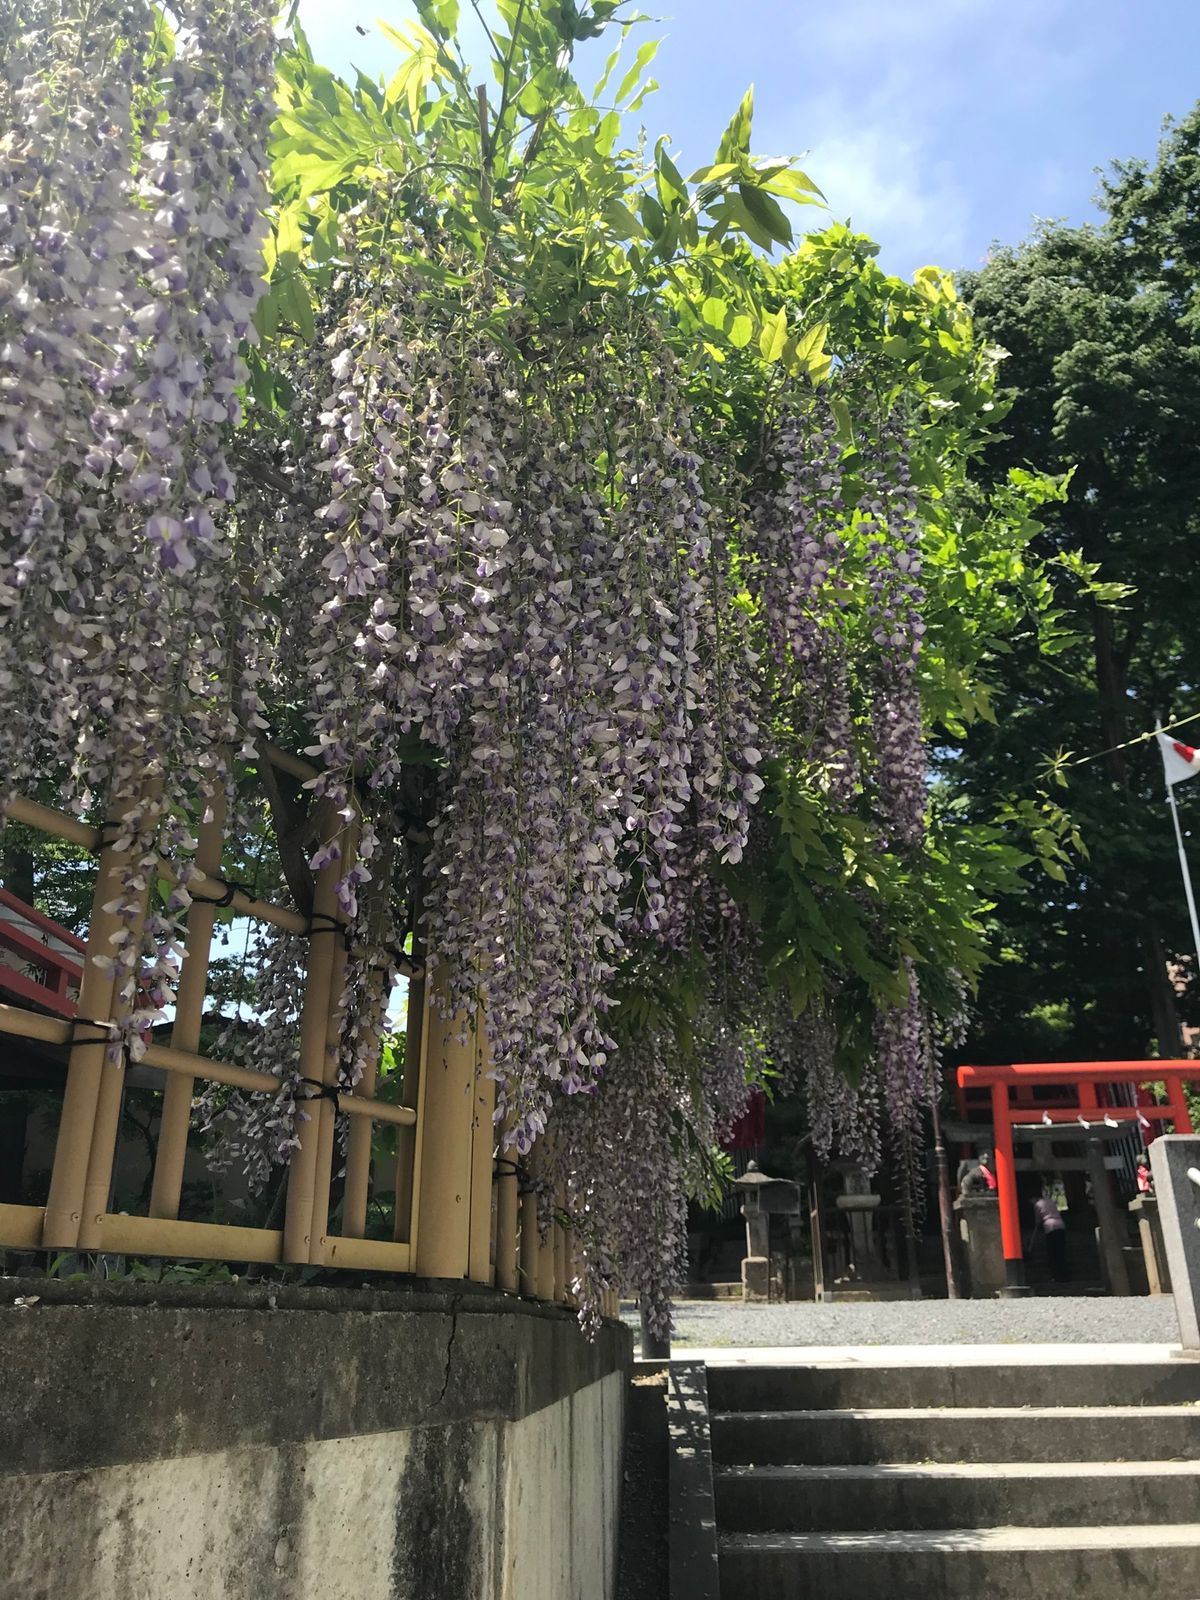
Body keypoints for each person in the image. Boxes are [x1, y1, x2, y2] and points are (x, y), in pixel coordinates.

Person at [1028, 1188, 1068, 1284]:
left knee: (1053, 1253)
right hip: (1060, 1224)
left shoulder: (1037, 1205)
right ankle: (1065, 1275)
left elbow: (1038, 1220)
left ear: (1033, 1198)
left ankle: (1056, 1276)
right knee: (1061, 1252)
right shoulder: (1049, 1201)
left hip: (1050, 1226)